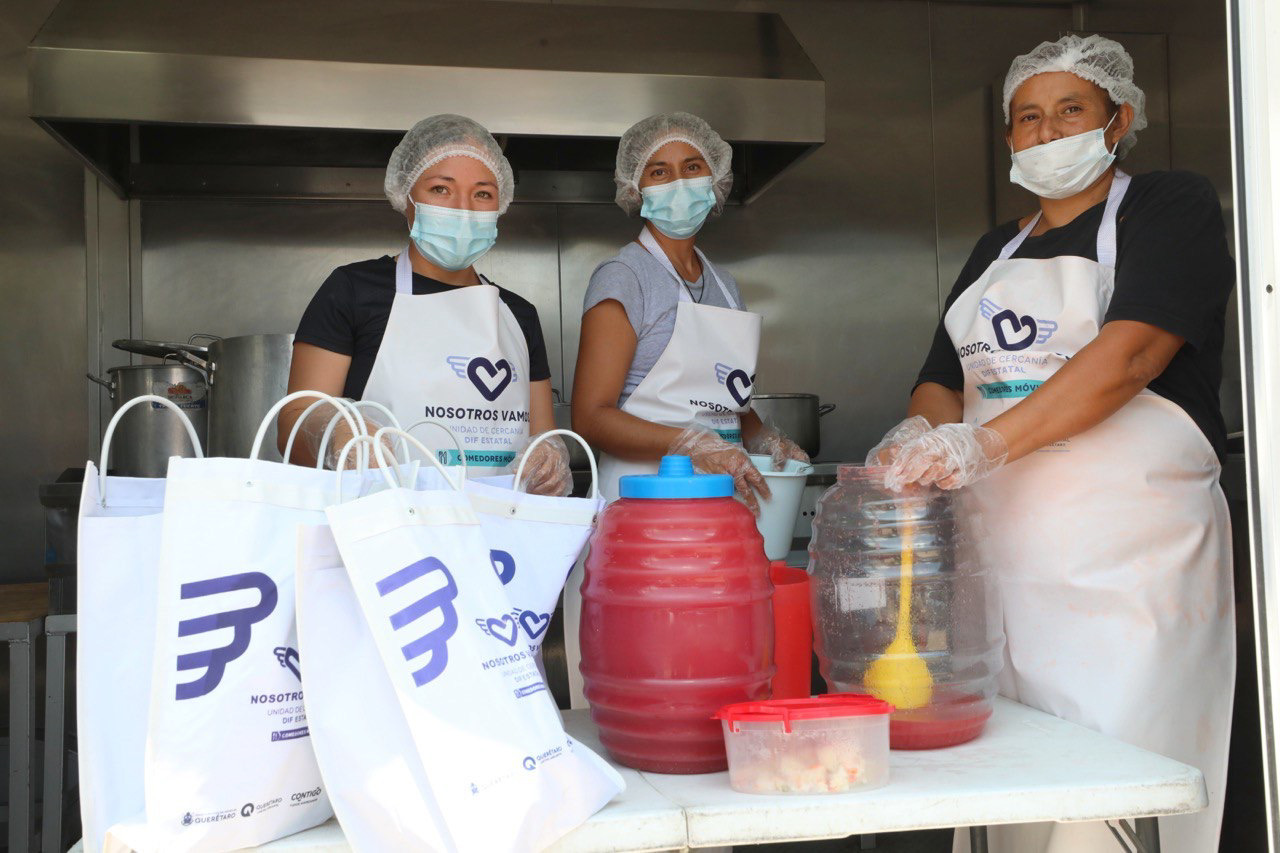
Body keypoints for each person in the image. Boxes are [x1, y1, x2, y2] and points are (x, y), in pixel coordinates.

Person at [869, 35, 1235, 853]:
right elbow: (942, 379)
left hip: (1130, 580)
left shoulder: (1166, 206)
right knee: (1009, 802)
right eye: (1028, 117)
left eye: (1071, 109)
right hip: (1003, 578)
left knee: (1110, 805)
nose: (1047, 130)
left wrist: (981, 445)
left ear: (1119, 120)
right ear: (1009, 137)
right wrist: (920, 434)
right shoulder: (992, 251)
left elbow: (1133, 354)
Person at [278, 114, 570, 495]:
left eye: (482, 193)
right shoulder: (352, 290)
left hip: (497, 524)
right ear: (407, 198)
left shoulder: (519, 315)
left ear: (501, 205)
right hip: (385, 520)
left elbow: (543, 438)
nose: (463, 209)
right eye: (440, 189)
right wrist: (336, 432)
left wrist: (549, 460)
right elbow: (292, 425)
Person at [571, 112, 807, 507]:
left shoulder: (725, 286)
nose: (679, 183)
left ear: (715, 178)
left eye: (693, 167)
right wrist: (689, 444)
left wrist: (763, 438)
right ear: (636, 188)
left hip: (722, 500)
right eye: (659, 172)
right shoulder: (624, 277)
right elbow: (591, 417)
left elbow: (726, 405)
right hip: (644, 501)